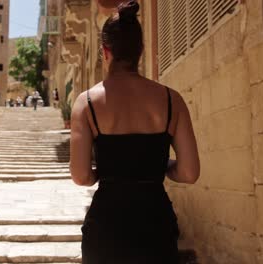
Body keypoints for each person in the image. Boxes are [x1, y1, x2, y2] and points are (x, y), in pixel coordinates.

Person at [69, 1, 200, 263]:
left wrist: (110, 170)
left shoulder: (86, 103)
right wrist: (157, 165)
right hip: (156, 227)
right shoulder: (171, 100)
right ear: (141, 50)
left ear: (105, 51)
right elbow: (189, 173)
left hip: (106, 227)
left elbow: (81, 176)